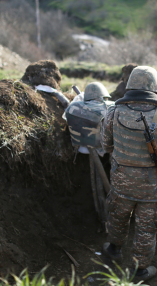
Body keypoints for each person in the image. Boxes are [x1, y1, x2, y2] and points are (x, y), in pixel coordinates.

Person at [100, 66, 157, 283]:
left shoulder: (114, 111)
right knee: (146, 228)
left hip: (121, 181)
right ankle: (139, 270)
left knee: (117, 216)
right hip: (153, 186)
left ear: (129, 85)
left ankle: (113, 250)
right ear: (156, 88)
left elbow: (106, 144)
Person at [64, 82, 114, 223]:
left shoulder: (73, 106)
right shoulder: (108, 107)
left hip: (82, 147)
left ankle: (103, 215)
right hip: (101, 146)